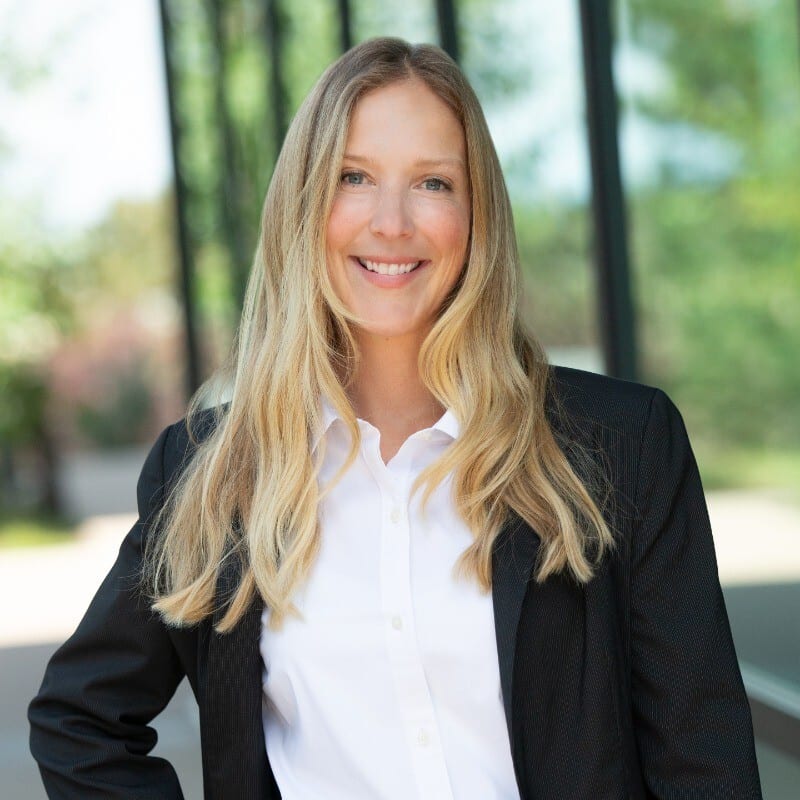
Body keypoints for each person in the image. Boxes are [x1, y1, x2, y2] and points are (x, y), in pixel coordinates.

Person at [29, 37, 762, 799]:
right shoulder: (215, 470)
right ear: (303, 205)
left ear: (477, 214)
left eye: (433, 183)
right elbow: (79, 721)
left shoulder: (621, 445)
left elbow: (703, 761)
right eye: (353, 177)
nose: (391, 222)